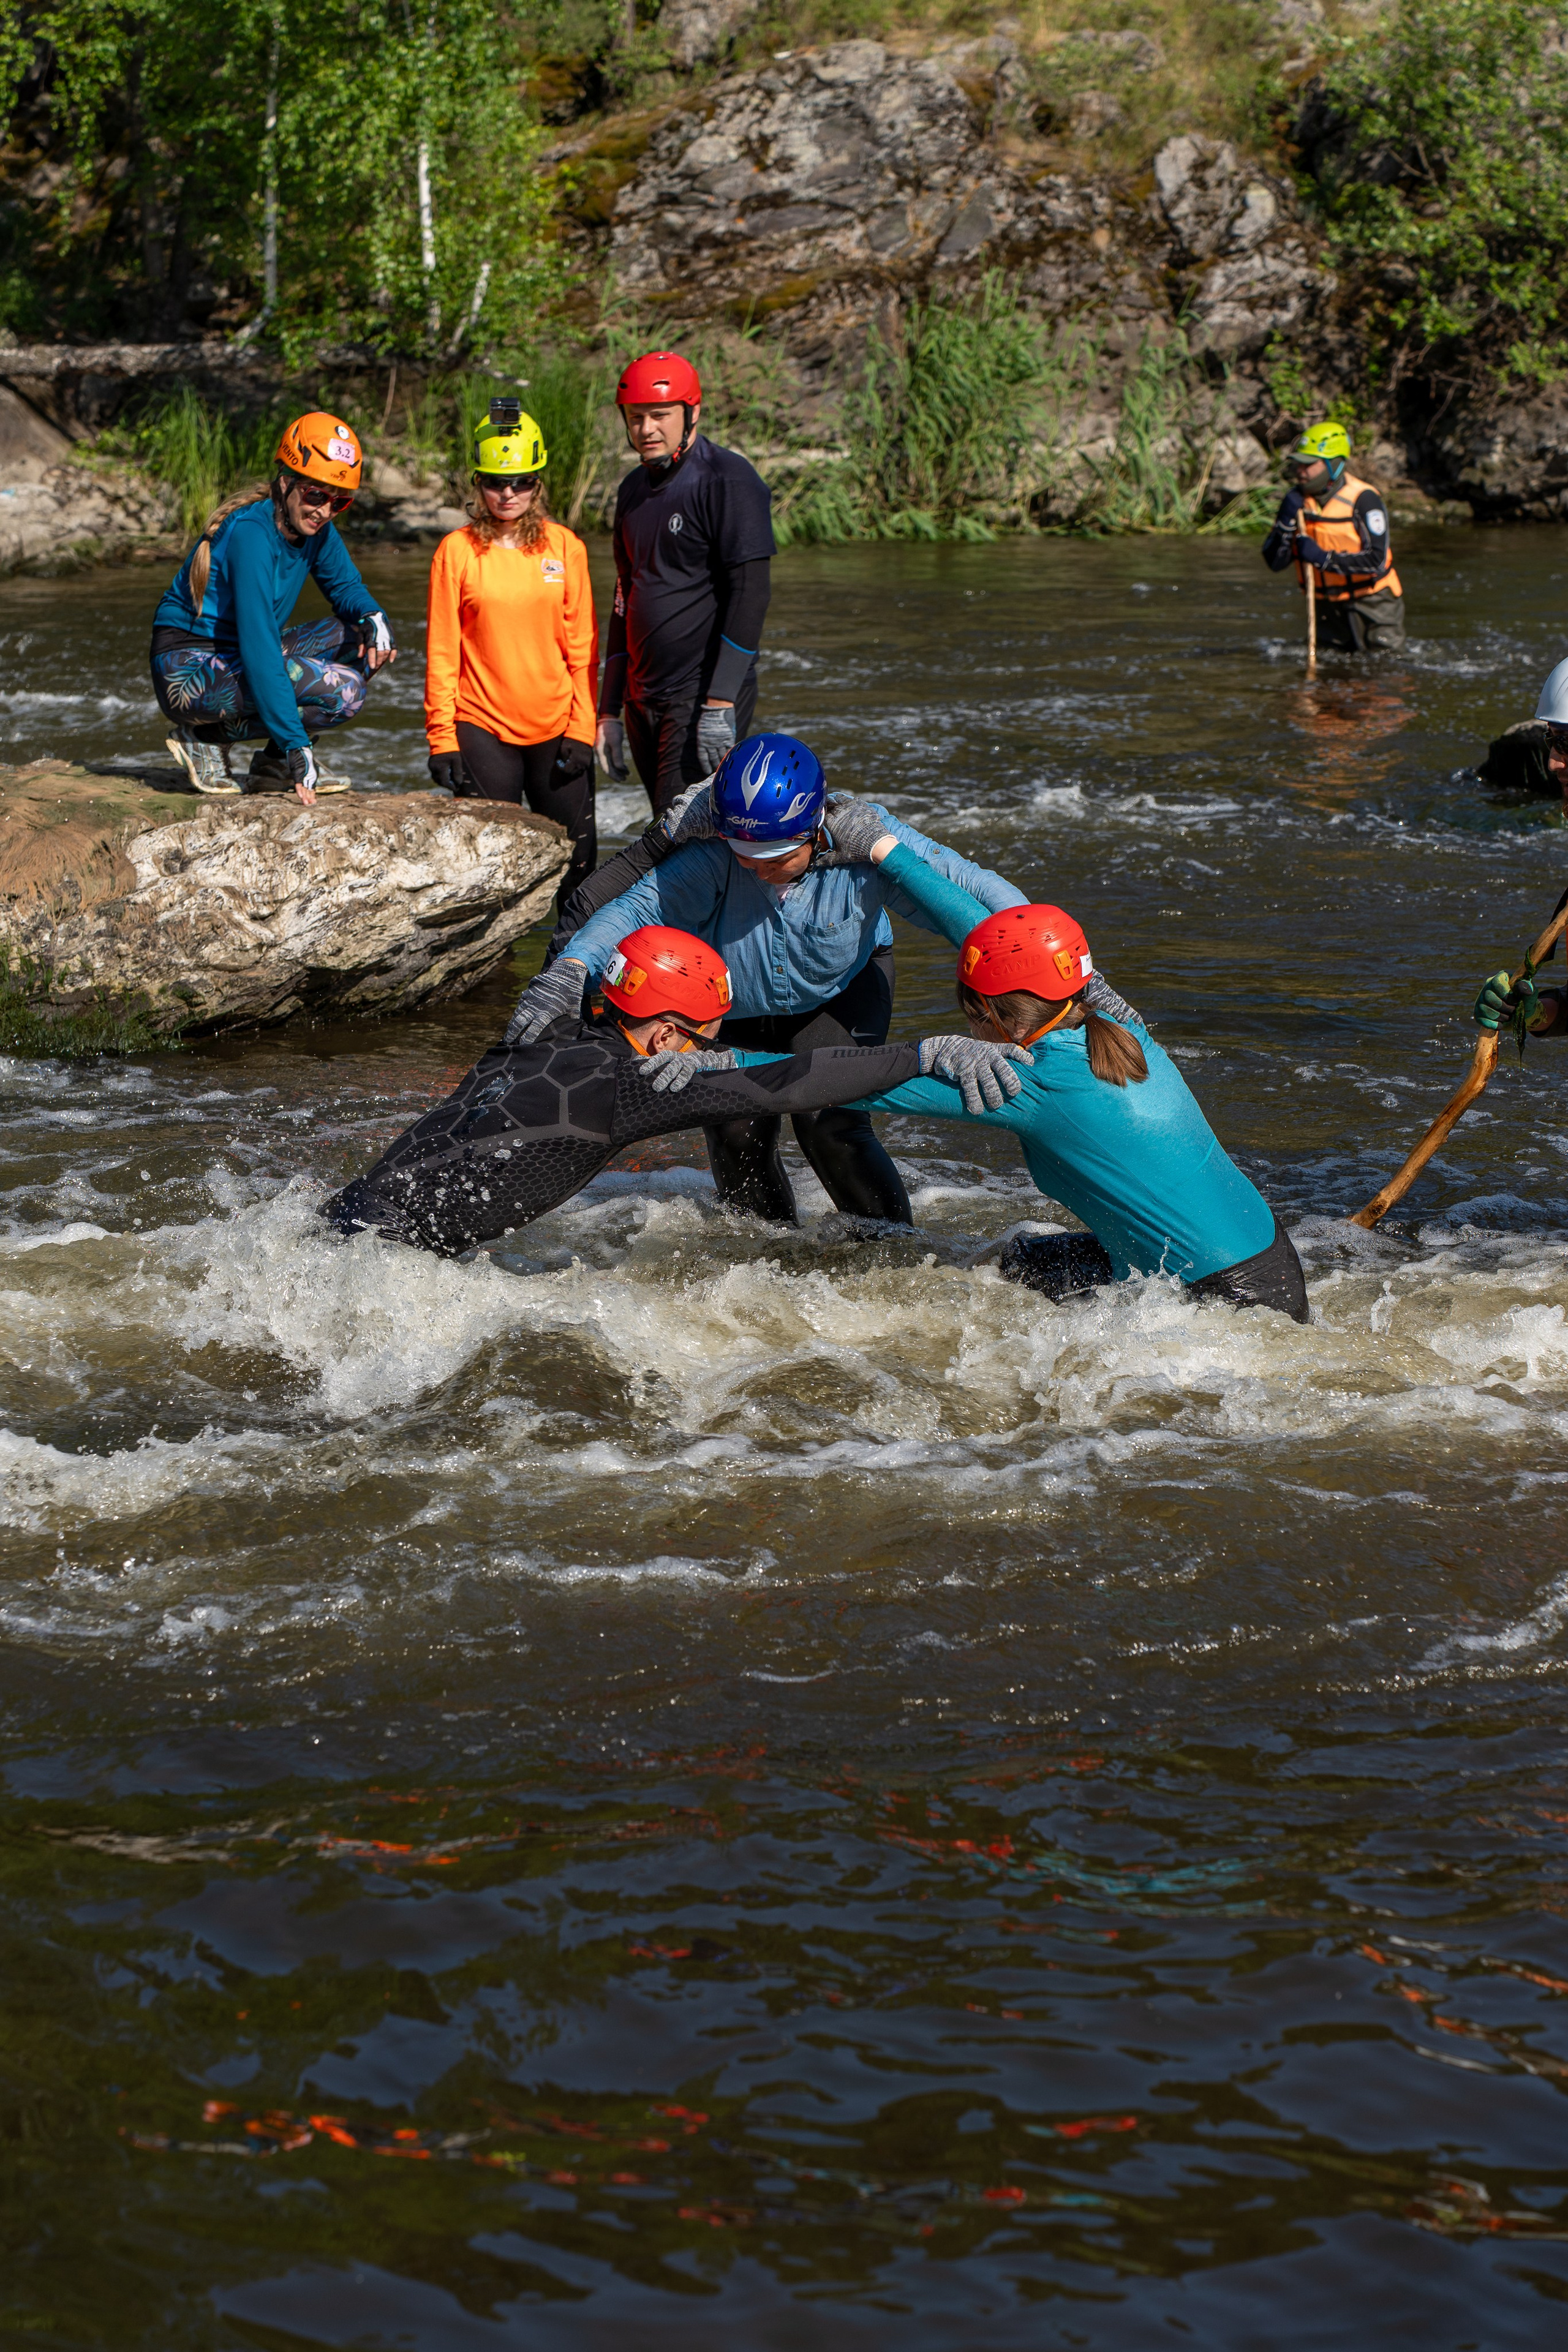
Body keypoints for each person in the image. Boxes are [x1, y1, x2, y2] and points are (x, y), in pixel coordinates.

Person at [797, 796, 1310, 1320]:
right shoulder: (1117, 1023)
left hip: (1230, 1305)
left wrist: (727, 1063)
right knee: (1011, 1267)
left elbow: (825, 1085)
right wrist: (883, 849)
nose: (968, 1035)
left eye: (972, 1019)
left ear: (999, 1019)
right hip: (1270, 1258)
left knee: (989, 1314)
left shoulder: (1026, 1079)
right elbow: (990, 933)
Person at [504, 732, 1038, 1226]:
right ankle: (768, 1262)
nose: (757, 870)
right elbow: (633, 908)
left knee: (831, 1123)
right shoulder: (715, 850)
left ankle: (892, 1254)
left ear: (813, 831)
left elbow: (976, 890)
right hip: (733, 1003)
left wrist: (1041, 955)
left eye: (776, 859)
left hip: (841, 993)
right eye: (745, 857)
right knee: (736, 1127)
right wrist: (573, 968)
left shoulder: (865, 839)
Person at [325, 924, 1026, 1257]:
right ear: (665, 1036)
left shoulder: (544, 1028)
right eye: (705, 1040)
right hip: (383, 1256)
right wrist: (923, 1053)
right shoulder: (638, 1086)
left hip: (348, 1217)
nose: (711, 1055)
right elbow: (795, 1082)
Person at [151, 412, 396, 802]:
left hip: (236, 658)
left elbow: (347, 587)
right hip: (188, 671)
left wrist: (375, 617)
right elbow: (260, 646)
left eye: (339, 501)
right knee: (346, 691)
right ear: (285, 483)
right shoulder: (251, 534)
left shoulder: (318, 531)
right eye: (316, 495)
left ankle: (271, 764)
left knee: (360, 638)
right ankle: (205, 738)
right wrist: (298, 744)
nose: (324, 511)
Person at [424, 402, 598, 908]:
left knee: (579, 869)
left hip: (558, 726)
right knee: (488, 877)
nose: (508, 494)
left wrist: (583, 729)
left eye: (522, 482)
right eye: (496, 483)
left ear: (537, 485)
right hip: (482, 727)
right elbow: (442, 652)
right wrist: (441, 738)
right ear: (478, 483)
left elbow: (583, 649)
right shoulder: (456, 551)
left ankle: (572, 958)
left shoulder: (566, 548)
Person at [595, 350, 774, 813]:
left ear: (691, 412)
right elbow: (623, 598)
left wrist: (720, 700)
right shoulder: (632, 490)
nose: (646, 429)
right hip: (643, 695)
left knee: (678, 831)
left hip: (700, 694)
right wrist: (608, 709)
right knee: (666, 823)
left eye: (660, 415)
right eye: (636, 418)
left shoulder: (728, 480)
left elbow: (751, 593)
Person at [1262, 421, 1404, 655]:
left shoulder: (1365, 500)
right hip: (1326, 606)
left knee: (1382, 665)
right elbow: (1275, 563)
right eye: (1299, 464)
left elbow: (1377, 560)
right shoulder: (1296, 502)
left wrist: (1324, 559)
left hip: (1372, 602)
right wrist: (1284, 524)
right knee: (1330, 669)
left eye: (1309, 464)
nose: (1300, 471)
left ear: (1334, 464)